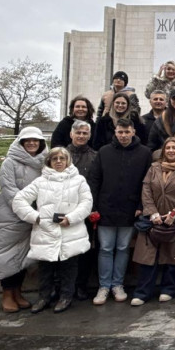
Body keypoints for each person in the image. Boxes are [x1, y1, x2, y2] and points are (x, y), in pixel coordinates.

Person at [12, 147, 93, 314]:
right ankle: (44, 297)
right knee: (46, 268)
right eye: (54, 158)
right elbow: (19, 200)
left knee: (69, 267)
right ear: (49, 161)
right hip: (46, 232)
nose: (58, 161)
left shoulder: (79, 181)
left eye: (62, 158)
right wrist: (35, 217)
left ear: (67, 161)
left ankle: (65, 297)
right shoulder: (41, 181)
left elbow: (86, 203)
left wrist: (71, 218)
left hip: (70, 232)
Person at [87, 118, 152, 305]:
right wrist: (94, 207)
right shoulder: (104, 152)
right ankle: (104, 286)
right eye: (120, 132)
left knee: (123, 248)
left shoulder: (144, 153)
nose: (123, 135)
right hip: (105, 208)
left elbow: (146, 184)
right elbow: (94, 180)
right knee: (106, 248)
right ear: (115, 132)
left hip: (130, 210)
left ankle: (117, 284)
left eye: (127, 132)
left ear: (133, 132)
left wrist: (141, 206)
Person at [0, 127, 47, 314]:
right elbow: (8, 188)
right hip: (10, 215)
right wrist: (26, 209)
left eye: (35, 140)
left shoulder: (45, 162)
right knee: (7, 254)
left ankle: (18, 293)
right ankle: (7, 294)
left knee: (23, 256)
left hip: (33, 216)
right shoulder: (10, 162)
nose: (31, 143)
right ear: (20, 142)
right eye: (27, 140)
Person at [132, 137, 175, 305]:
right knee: (149, 257)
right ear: (163, 150)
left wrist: (174, 213)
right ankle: (142, 292)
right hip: (154, 219)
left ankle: (169, 289)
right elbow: (146, 190)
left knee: (172, 256)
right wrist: (152, 213)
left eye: (174, 148)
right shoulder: (154, 169)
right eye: (167, 148)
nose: (170, 151)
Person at [66, 120, 98, 301]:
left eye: (85, 133)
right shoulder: (62, 155)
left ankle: (81, 285)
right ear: (71, 134)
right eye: (78, 132)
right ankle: (64, 287)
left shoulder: (95, 156)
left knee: (85, 250)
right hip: (64, 211)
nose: (81, 136)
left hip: (87, 210)